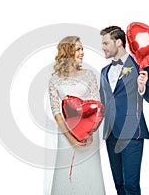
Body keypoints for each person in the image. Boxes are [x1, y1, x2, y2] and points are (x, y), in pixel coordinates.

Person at [99, 26, 149, 194]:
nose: (102, 47)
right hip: (110, 135)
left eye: (105, 43)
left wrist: (143, 88)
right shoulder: (104, 72)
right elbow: (102, 103)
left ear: (118, 42)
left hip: (132, 134)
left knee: (130, 186)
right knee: (118, 185)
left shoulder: (140, 65)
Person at [46, 36, 105, 195]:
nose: (82, 53)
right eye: (78, 49)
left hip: (89, 134)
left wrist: (90, 134)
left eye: (82, 49)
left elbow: (97, 104)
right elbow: (56, 111)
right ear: (68, 52)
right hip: (65, 134)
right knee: (66, 173)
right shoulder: (55, 80)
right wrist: (71, 138)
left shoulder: (89, 75)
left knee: (89, 171)